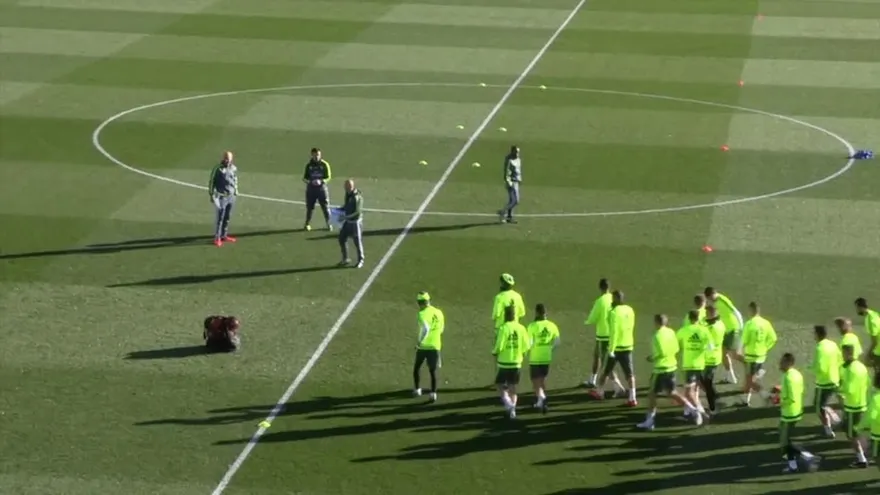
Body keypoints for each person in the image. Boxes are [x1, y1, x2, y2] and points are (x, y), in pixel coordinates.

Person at [637, 314, 702, 430]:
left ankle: (650, 421)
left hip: (660, 369)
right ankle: (693, 410)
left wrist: (652, 358)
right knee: (672, 392)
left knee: (652, 394)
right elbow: (677, 348)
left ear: (656, 322)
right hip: (672, 367)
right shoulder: (671, 332)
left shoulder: (656, 335)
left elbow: (661, 353)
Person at [590, 290, 637, 406]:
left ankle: (600, 392)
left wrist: (611, 349)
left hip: (616, 348)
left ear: (616, 299)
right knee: (630, 374)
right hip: (628, 345)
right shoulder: (630, 310)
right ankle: (633, 398)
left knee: (605, 370)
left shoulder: (614, 312)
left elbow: (614, 331)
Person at [777, 352, 820, 473]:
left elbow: (791, 398)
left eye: (782, 361)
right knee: (785, 439)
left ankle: (807, 457)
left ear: (788, 363)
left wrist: (779, 401)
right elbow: (798, 390)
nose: (779, 363)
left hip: (789, 413)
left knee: (784, 443)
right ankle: (793, 465)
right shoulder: (796, 374)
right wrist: (780, 390)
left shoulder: (787, 377)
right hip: (797, 410)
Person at [584, 278, 624, 393]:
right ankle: (593, 379)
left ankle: (617, 384)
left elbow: (593, 318)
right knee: (596, 355)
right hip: (611, 334)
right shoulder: (613, 298)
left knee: (605, 363)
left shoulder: (600, 301)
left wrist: (587, 321)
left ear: (600, 287)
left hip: (603, 335)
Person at [493, 304, 531, 419]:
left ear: (506, 315)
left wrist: (494, 352)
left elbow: (499, 345)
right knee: (513, 387)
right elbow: (526, 347)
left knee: (499, 384)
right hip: (516, 362)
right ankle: (513, 410)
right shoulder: (521, 328)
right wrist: (521, 355)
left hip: (504, 362)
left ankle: (508, 403)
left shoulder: (504, 328)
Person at [738, 302, 777, 406]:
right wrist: (766, 347)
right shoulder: (766, 323)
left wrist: (739, 350)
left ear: (751, 311)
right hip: (761, 356)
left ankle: (767, 395)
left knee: (750, 380)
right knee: (750, 378)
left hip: (751, 356)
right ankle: (746, 399)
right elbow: (773, 338)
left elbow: (744, 340)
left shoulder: (749, 324)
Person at [676, 310, 713, 420]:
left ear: (689, 318)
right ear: (698, 318)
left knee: (688, 392)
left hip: (689, 365)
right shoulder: (704, 330)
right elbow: (710, 347)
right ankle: (690, 411)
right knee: (695, 388)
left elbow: (675, 343)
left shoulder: (683, 330)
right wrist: (701, 348)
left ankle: (700, 411)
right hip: (701, 364)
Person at [704, 287, 744, 384]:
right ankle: (730, 377)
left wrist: (741, 326)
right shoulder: (715, 303)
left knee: (734, 354)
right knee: (724, 353)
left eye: (709, 298)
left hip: (733, 329)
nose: (709, 300)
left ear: (713, 294)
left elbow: (735, 311)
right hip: (726, 330)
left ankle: (752, 366)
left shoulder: (722, 299)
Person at [840, 344, 870, 468]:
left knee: (852, 435)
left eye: (843, 353)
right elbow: (868, 382)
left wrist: (840, 391)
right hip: (862, 403)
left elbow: (850, 390)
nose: (842, 356)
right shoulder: (861, 366)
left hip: (853, 407)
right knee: (853, 430)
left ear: (848, 353)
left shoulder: (850, 370)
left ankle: (862, 459)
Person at [526, 304, 560, 413]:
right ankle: (540, 402)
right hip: (546, 357)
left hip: (535, 357)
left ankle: (542, 398)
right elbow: (557, 342)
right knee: (542, 379)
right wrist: (550, 348)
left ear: (536, 312)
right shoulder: (552, 326)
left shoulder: (532, 326)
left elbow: (529, 343)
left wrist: (527, 351)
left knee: (535, 381)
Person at [412, 291, 444, 403]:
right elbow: (441, 328)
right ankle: (433, 393)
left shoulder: (421, 314)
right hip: (435, 345)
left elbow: (425, 328)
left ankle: (417, 390)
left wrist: (419, 342)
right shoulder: (439, 312)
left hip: (424, 346)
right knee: (433, 371)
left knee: (417, 368)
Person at [812, 325, 841, 438]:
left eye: (814, 333)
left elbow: (820, 367)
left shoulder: (819, 348)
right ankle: (840, 420)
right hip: (835, 380)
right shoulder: (833, 344)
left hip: (823, 383)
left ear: (818, 334)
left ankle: (828, 428)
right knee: (826, 403)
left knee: (818, 407)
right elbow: (840, 359)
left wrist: (810, 368)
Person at [208, 151, 239, 247]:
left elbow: (235, 179)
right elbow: (212, 181)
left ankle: (224, 235)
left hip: (231, 196)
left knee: (227, 217)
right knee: (220, 218)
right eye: (226, 158)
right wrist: (211, 194)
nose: (227, 160)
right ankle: (217, 238)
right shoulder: (217, 169)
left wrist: (236, 191)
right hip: (221, 197)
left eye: (229, 159)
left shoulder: (233, 168)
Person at [702, 305, 726, 415]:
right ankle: (715, 397)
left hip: (709, 359)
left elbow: (705, 342)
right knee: (706, 382)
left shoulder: (710, 328)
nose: (705, 315)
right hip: (716, 357)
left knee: (707, 383)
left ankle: (713, 407)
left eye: (707, 313)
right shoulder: (721, 324)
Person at [302, 147, 333, 231]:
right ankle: (307, 224)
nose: (316, 157)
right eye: (315, 155)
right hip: (311, 189)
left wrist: (322, 181)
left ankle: (329, 224)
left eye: (318, 155)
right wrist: (310, 182)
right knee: (310, 208)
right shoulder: (309, 165)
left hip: (321, 189)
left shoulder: (324, 164)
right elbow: (304, 178)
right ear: (312, 155)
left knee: (325, 207)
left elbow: (329, 177)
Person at [337, 179, 364, 268]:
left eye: (347, 186)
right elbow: (347, 205)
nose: (346, 188)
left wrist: (345, 217)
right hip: (348, 221)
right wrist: (339, 209)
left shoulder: (357, 197)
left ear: (351, 186)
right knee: (341, 238)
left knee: (357, 242)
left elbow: (357, 212)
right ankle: (345, 258)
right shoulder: (347, 194)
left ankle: (361, 260)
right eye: (345, 186)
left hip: (355, 223)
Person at [857, 371, 880, 474]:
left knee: (876, 456)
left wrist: (860, 427)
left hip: (878, 434)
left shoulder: (876, 399)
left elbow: (870, 417)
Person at [497, 145, 522, 224]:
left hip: (516, 181)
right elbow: (506, 172)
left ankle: (509, 217)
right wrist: (508, 182)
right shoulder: (509, 160)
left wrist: (520, 179)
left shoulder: (518, 159)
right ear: (512, 152)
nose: (517, 154)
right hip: (511, 182)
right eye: (516, 152)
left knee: (511, 200)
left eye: (518, 152)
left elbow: (518, 170)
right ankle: (502, 211)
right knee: (516, 201)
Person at [855, 298, 880, 373]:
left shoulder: (870, 319)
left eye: (856, 308)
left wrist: (867, 354)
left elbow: (874, 342)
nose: (856, 310)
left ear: (860, 307)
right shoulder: (874, 314)